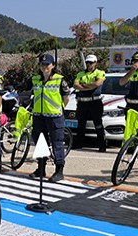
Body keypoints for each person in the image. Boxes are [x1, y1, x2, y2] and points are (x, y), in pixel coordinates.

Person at [26, 54, 71, 182]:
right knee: (40, 143)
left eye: (47, 64)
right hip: (39, 116)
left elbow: (66, 98)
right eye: (42, 64)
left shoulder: (60, 80)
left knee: (57, 143)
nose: (44, 66)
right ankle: (41, 168)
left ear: (53, 65)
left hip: (54, 117)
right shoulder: (35, 79)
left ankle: (59, 171)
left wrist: (59, 109)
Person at [73, 54, 107, 152]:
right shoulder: (80, 74)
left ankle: (102, 145)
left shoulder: (100, 73)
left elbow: (98, 84)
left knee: (98, 124)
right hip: (82, 103)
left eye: (91, 63)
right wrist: (90, 86)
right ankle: (78, 144)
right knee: (81, 125)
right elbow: (75, 85)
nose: (88, 64)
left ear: (95, 63)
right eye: (87, 62)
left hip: (94, 102)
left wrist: (83, 85)